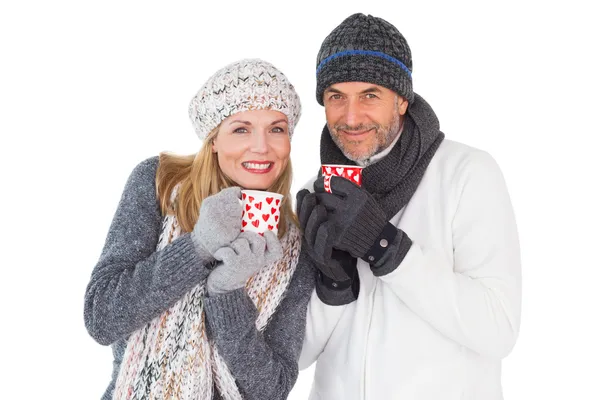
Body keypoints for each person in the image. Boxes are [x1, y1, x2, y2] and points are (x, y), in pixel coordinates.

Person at [296, 13, 522, 400]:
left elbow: (498, 329)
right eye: (336, 96)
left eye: (370, 95)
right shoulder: (316, 195)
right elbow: (295, 356)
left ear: (401, 99)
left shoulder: (466, 174)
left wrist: (385, 248)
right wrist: (333, 284)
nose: (351, 118)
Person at [84, 59, 313, 400]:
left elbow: (272, 389)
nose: (262, 147)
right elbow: (102, 317)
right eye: (241, 128)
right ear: (214, 139)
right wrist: (197, 248)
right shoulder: (158, 184)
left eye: (276, 129)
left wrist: (227, 295)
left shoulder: (293, 248)